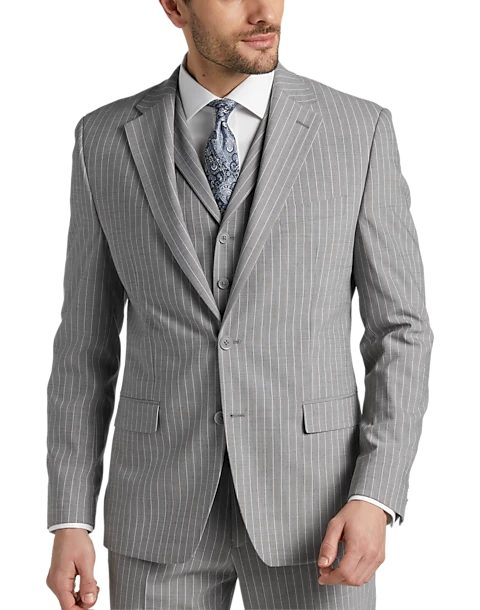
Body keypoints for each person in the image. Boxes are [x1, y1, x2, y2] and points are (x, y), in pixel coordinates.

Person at [45, 1, 433, 608]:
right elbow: (83, 344)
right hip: (156, 507)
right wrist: (70, 515)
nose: (262, 12)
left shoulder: (358, 129)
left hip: (319, 510)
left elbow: (401, 328)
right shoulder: (105, 138)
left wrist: (376, 494)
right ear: (175, 7)